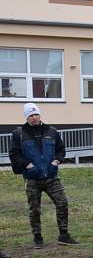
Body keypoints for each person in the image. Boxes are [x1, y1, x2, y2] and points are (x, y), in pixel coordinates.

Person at [9, 103, 78, 249]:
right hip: (33, 178)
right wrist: (27, 164)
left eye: (36, 114)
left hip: (51, 176)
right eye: (30, 115)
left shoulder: (51, 131)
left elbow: (61, 149)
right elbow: (14, 154)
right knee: (35, 209)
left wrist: (57, 160)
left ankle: (64, 235)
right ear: (26, 117)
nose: (34, 117)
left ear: (40, 115)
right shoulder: (19, 134)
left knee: (62, 203)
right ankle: (37, 237)